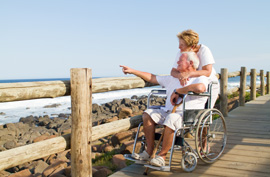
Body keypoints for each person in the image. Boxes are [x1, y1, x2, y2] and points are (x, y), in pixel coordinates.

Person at [120, 52, 208, 167]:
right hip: (167, 111)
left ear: (190, 63)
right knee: (148, 114)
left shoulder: (199, 78)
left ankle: (162, 156)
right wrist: (133, 71)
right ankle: (149, 152)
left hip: (186, 115)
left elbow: (200, 88)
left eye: (180, 60)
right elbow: (152, 78)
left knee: (172, 118)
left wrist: (179, 91)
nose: (177, 62)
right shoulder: (173, 78)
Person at [171, 29, 219, 108]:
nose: (179, 47)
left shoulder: (204, 50)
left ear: (192, 46)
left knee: (206, 110)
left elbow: (207, 72)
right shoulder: (181, 52)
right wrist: (181, 75)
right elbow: (173, 72)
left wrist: (188, 74)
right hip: (192, 85)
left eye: (182, 45)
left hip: (209, 85)